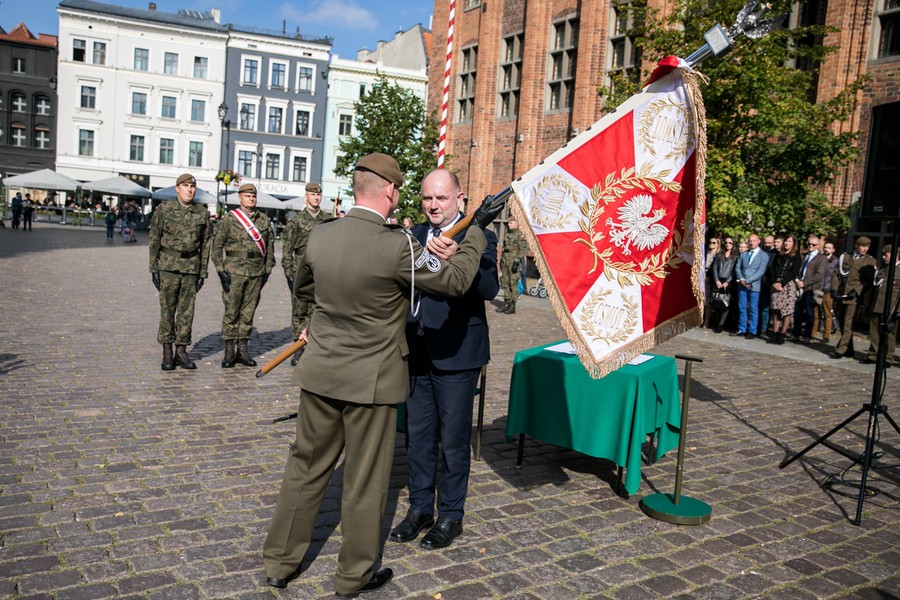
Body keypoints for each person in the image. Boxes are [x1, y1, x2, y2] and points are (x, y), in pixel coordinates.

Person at [262, 153, 503, 596]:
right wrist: (476, 233)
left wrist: (323, 321)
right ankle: (354, 575)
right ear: (391, 192)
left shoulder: (321, 235)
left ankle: (280, 562)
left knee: (304, 469)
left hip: (320, 373)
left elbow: (306, 289)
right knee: (365, 479)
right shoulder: (398, 245)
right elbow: (452, 280)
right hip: (369, 379)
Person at [389, 169, 499, 551]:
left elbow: (490, 288)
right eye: (427, 199)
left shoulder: (479, 235)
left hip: (457, 352)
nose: (433, 206)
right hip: (416, 350)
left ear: (459, 198)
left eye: (441, 198)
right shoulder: (414, 235)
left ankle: (451, 514)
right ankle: (420, 508)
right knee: (418, 438)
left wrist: (458, 257)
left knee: (452, 442)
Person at [148, 173, 213, 370]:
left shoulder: (202, 213)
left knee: (186, 312)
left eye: (192, 186)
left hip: (191, 268)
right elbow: (154, 238)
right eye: (185, 186)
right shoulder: (165, 209)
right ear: (177, 188)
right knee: (167, 309)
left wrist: (203, 272)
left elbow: (206, 244)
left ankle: (181, 352)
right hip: (168, 267)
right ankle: (167, 352)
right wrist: (154, 268)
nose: (189, 189)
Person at [210, 182, 275, 368]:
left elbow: (269, 248)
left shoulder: (263, 220)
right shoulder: (230, 219)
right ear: (239, 197)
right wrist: (221, 269)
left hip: (256, 272)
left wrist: (267, 270)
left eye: (253, 196)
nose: (251, 199)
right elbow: (217, 247)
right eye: (247, 196)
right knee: (231, 312)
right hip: (234, 272)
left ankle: (243, 350)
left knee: (248, 312)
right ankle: (229, 351)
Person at [281, 182, 327, 365]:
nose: (316, 197)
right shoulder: (296, 221)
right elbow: (287, 250)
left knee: (317, 310)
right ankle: (298, 348)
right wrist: (289, 273)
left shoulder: (327, 220)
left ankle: (314, 348)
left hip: (321, 271)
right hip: (300, 270)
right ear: (306, 196)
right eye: (313, 194)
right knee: (299, 311)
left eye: (318, 195)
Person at [830, 236, 877, 359]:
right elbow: (836, 274)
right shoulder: (846, 257)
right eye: (862, 246)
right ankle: (849, 349)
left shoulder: (869, 261)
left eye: (867, 247)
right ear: (856, 245)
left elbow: (868, 281)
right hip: (842, 293)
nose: (865, 249)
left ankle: (840, 349)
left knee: (848, 323)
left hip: (854, 297)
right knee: (841, 321)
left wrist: (856, 291)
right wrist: (834, 288)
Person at [862, 245, 899, 366]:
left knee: (889, 333)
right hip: (877, 304)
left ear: (895, 255)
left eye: (886, 255)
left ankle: (887, 358)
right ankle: (873, 355)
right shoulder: (882, 269)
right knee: (874, 332)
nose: (883, 257)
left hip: (891, 306)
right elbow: (875, 287)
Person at [767, 234, 802, 345]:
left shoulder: (796, 256)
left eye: (790, 242)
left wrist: (782, 283)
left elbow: (793, 272)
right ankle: (775, 333)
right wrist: (774, 282)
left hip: (787, 285)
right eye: (786, 241)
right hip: (776, 283)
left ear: (794, 243)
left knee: (786, 311)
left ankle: (782, 334)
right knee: (776, 310)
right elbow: (771, 269)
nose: (787, 243)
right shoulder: (778, 254)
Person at [732, 234, 769, 338]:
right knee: (742, 307)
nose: (751, 242)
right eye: (750, 241)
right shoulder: (744, 254)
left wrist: (748, 280)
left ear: (758, 241)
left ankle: (752, 330)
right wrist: (742, 279)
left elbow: (761, 271)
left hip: (754, 286)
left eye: (754, 240)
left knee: (753, 308)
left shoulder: (763, 256)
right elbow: (737, 268)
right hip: (742, 285)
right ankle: (742, 328)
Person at [793, 235, 828, 343]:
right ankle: (796, 333)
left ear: (818, 245)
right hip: (800, 287)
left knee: (809, 313)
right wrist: (797, 280)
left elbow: (820, 274)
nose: (811, 246)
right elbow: (797, 269)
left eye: (813, 245)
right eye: (809, 244)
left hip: (811, 289)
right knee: (797, 312)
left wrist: (805, 283)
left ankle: (807, 335)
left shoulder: (821, 258)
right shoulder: (804, 256)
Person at [709, 236, 738, 333]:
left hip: (728, 281)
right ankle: (715, 321)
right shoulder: (720, 254)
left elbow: (734, 271)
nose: (728, 244)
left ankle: (721, 324)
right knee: (716, 301)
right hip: (718, 280)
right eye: (726, 243)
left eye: (730, 243)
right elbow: (715, 268)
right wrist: (717, 280)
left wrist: (728, 281)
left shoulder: (735, 256)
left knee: (726, 303)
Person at [499, 218, 526, 314]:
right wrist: (501, 260)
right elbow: (504, 248)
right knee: (505, 283)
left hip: (513, 262)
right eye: (508, 223)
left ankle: (512, 305)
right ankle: (506, 303)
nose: (509, 224)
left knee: (513, 283)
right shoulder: (508, 234)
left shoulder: (519, 235)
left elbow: (522, 249)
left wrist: (516, 261)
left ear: (517, 223)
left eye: (511, 222)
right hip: (506, 261)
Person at [814, 240, 838, 342]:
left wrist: (834, 288)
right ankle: (812, 332)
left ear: (833, 250)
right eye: (825, 247)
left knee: (827, 313)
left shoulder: (835, 261)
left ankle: (826, 335)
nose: (826, 249)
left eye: (829, 248)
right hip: (817, 288)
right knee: (815, 313)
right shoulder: (819, 259)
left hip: (828, 289)